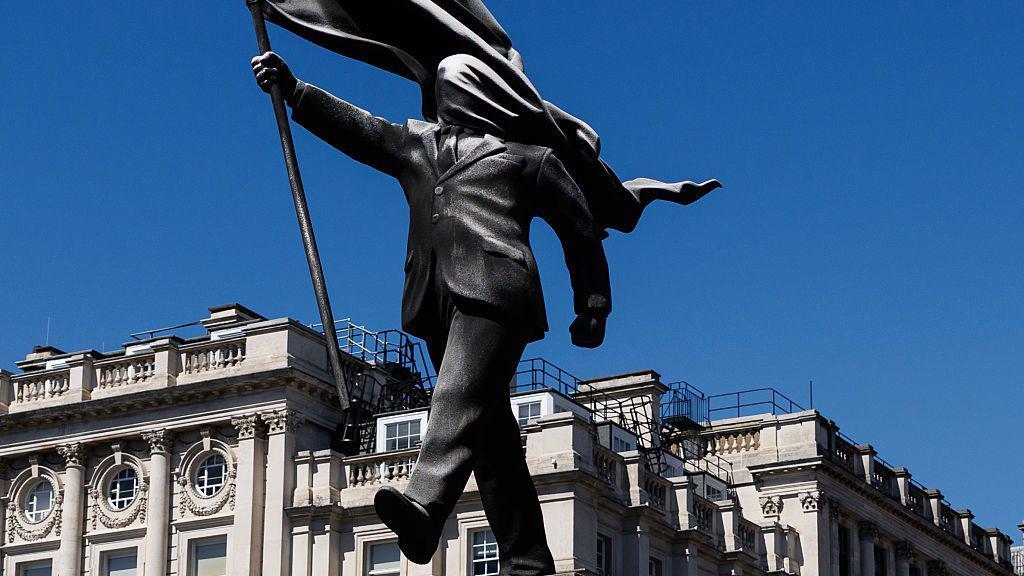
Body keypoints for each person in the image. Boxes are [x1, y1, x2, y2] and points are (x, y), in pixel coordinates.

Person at [254, 51, 612, 575]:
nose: (443, 98)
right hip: (433, 298)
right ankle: (527, 559)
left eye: (453, 88)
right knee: (490, 436)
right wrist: (296, 91)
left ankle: (424, 506)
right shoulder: (416, 145)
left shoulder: (526, 158)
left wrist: (593, 305)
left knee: (457, 393)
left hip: (498, 292)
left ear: (482, 95)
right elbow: (361, 130)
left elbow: (581, 233)